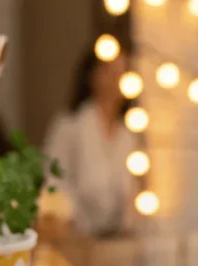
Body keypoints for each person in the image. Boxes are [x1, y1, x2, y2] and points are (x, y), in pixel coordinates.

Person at [44, 45, 137, 237]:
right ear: (92, 75)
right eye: (109, 71)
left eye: (122, 72)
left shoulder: (129, 133)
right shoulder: (71, 125)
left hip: (117, 239)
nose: (116, 78)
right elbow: (53, 180)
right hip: (76, 236)